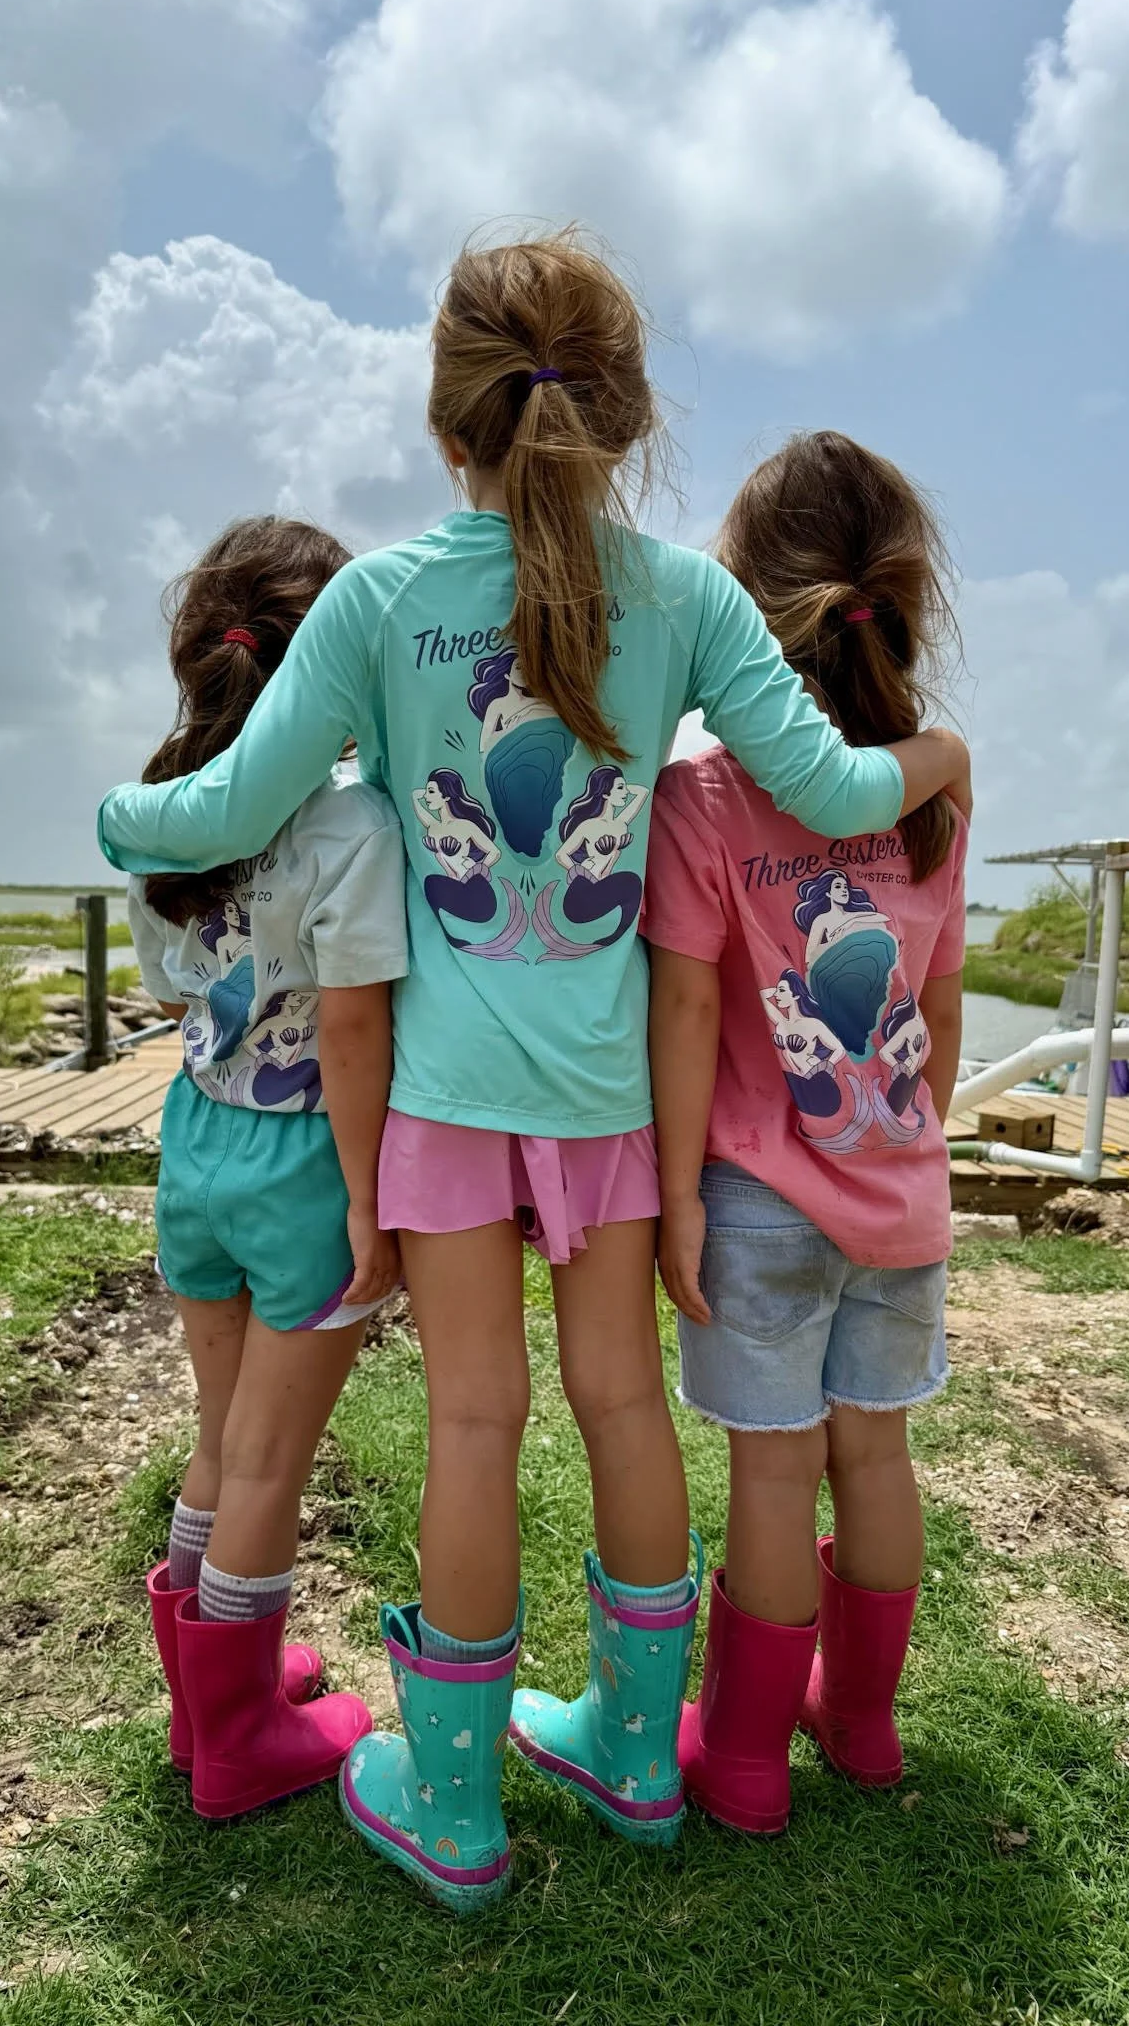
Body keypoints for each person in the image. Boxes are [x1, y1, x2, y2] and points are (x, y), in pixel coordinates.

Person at [99, 234, 971, 1912]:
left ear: (449, 426)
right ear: (630, 417)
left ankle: (456, 1804)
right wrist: (944, 754)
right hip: (609, 1106)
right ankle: (642, 1762)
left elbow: (221, 815)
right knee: (622, 1405)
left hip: (439, 1098)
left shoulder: (377, 602)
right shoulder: (695, 601)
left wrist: (118, 817)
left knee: (474, 1427)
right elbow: (838, 788)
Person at [642, 430, 968, 1836]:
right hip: (897, 1201)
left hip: (755, 1208)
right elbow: (940, 1013)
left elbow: (686, 1019)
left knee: (772, 1474)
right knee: (875, 1457)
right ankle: (869, 1724)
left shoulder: (702, 796)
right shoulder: (935, 791)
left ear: (739, 596)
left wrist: (674, 1200)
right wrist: (908, 1149)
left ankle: (753, 1761)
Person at [125, 516, 409, 1823]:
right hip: (305, 1166)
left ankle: (204, 1702)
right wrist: (368, 1196)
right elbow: (353, 1028)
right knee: (270, 1468)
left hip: (197, 1142)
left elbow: (168, 987)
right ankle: (240, 1737)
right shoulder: (350, 821)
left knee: (222, 1438)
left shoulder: (160, 812)